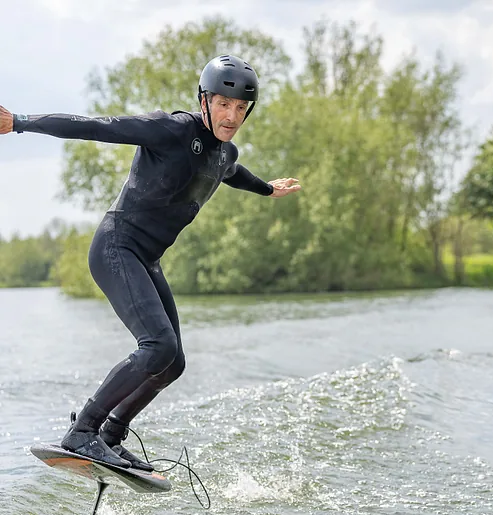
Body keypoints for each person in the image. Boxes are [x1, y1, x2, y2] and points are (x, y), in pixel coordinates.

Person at [0, 54, 301, 471]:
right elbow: (96, 127)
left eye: (240, 108)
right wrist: (18, 120)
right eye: (223, 103)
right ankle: (82, 432)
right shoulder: (172, 130)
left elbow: (232, 171)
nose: (231, 115)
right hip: (116, 247)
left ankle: (110, 435)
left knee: (172, 362)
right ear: (204, 101)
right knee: (157, 345)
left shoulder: (224, 153)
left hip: (147, 258)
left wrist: (267, 189)